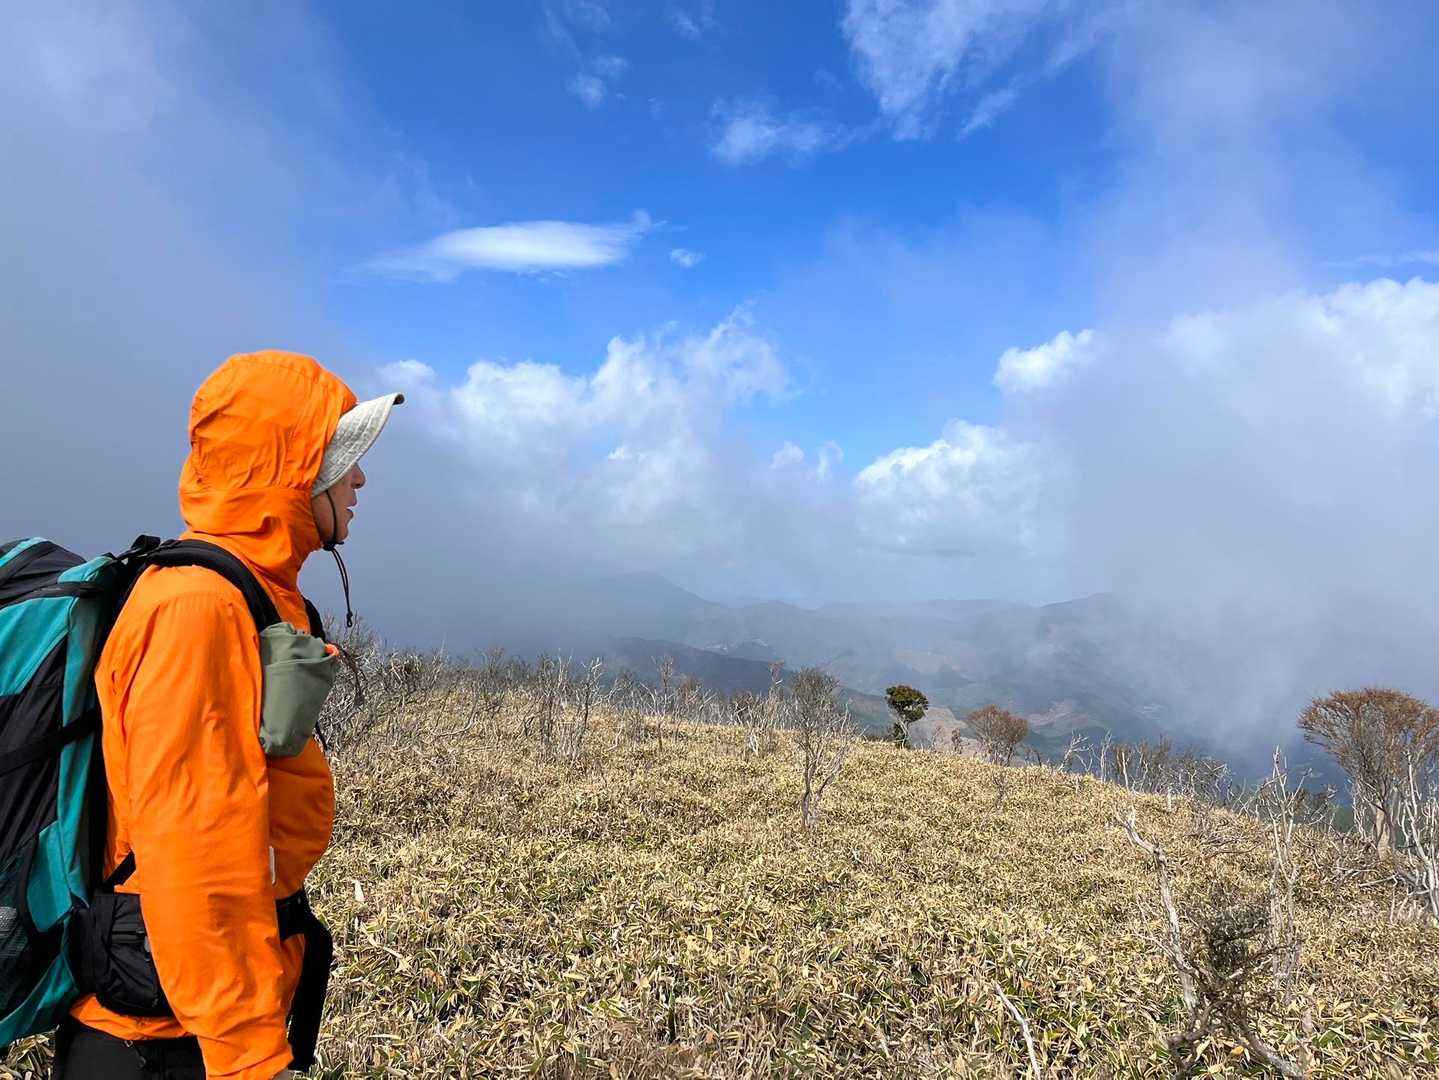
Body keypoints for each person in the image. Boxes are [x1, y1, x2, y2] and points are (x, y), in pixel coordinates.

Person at [53, 350, 402, 1079]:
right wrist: (248, 1056)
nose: (360, 479)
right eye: (341, 460)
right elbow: (197, 852)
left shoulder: (254, 592)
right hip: (162, 1042)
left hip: (195, 1022)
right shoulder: (198, 608)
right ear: (288, 470)